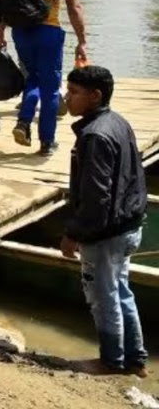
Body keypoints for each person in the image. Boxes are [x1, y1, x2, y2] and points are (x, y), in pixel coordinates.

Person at [60, 66, 148, 378]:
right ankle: (135, 360)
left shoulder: (95, 135)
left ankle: (111, 361)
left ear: (95, 96)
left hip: (106, 231)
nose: (66, 98)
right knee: (120, 290)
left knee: (103, 295)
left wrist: (74, 233)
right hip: (128, 224)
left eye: (74, 92)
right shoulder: (118, 122)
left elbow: (96, 196)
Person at [0, 0, 88, 156]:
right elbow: (74, 8)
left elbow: (3, 0)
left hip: (20, 31)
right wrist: (82, 41)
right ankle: (47, 142)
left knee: (33, 79)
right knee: (49, 88)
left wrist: (0, 34)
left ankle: (24, 121)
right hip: (48, 32)